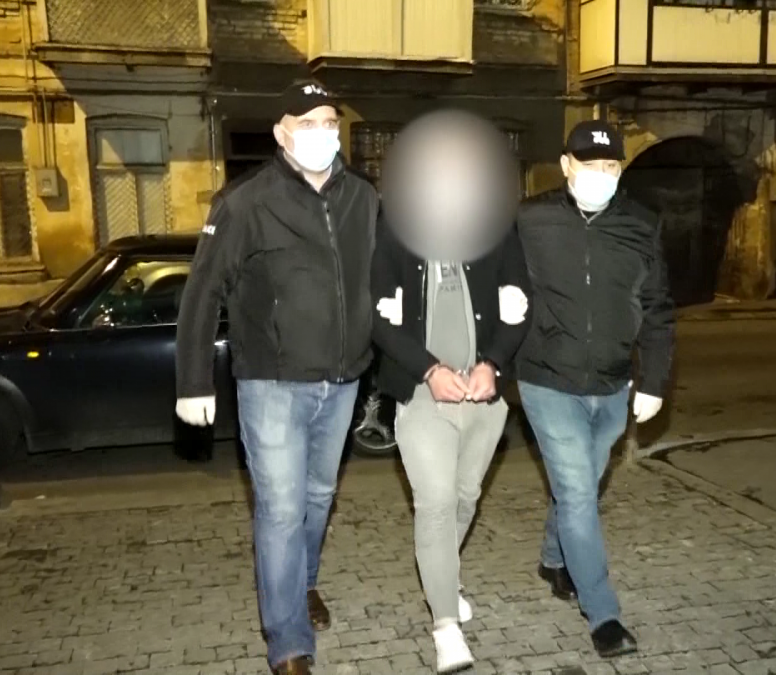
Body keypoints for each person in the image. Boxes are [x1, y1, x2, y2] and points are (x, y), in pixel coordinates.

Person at [173, 80, 378, 675]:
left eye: (330, 122)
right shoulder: (245, 202)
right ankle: (288, 642)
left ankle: (302, 583)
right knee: (282, 510)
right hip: (272, 383)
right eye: (307, 123)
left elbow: (380, 277)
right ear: (281, 134)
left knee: (318, 498)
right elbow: (202, 292)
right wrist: (192, 382)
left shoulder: (362, 196)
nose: (322, 133)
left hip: (343, 380)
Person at [514, 119, 676, 658]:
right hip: (547, 377)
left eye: (611, 166)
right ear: (566, 166)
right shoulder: (530, 219)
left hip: (612, 383)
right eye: (590, 165)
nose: (601, 175)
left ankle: (553, 559)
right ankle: (603, 615)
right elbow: (496, 279)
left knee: (579, 483)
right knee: (580, 493)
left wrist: (654, 381)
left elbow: (657, 308)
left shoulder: (641, 223)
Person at [371, 218, 531, 673]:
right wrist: (428, 369)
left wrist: (492, 364)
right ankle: (445, 627)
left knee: (465, 498)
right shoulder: (395, 230)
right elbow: (376, 316)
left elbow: (519, 305)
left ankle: (443, 575)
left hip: (482, 396)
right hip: (422, 394)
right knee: (437, 504)